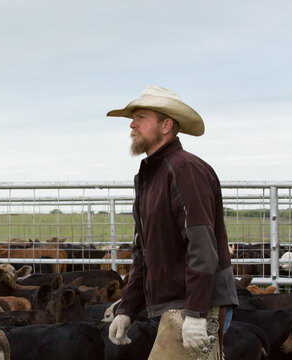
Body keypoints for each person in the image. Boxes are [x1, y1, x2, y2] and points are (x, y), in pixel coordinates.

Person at [106, 86, 238, 360]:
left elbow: (201, 247)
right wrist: (127, 309)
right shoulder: (149, 177)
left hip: (195, 306)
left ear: (166, 125)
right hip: (179, 306)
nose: (132, 124)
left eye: (141, 117)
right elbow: (144, 252)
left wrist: (196, 313)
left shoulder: (184, 170)